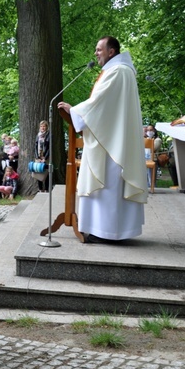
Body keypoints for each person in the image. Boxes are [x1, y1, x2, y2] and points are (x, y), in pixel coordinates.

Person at [58, 36, 148, 243]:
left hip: (111, 144)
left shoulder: (118, 72)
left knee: (109, 186)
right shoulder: (119, 71)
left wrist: (75, 111)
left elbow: (99, 104)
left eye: (99, 49)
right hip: (110, 137)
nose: (96, 53)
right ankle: (106, 230)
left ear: (112, 51)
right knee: (108, 187)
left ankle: (109, 232)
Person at [34, 120, 50, 192]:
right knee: (38, 172)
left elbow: (50, 148)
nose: (42, 128)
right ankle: (40, 189)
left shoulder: (49, 135)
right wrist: (37, 157)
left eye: (44, 126)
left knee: (46, 172)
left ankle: (47, 188)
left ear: (46, 127)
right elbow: (35, 146)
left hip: (46, 157)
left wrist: (45, 158)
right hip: (38, 157)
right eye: (41, 126)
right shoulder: (38, 135)